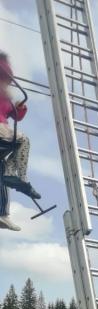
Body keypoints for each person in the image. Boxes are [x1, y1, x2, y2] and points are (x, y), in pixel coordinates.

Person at [0, 53, 40, 232]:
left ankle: (2, 214)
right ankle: (21, 176)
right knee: (23, 140)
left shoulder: (5, 98)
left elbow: (14, 116)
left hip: (4, 130)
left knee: (1, 174)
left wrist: (20, 109)